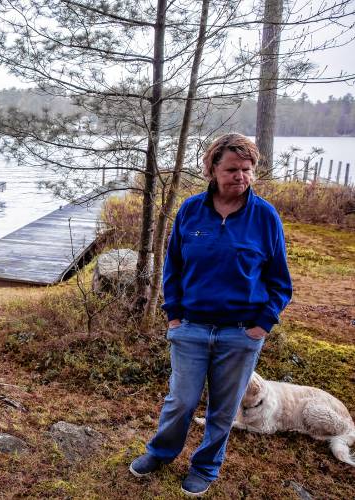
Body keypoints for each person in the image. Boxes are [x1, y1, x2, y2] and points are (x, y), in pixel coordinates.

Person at [129, 133, 293, 496]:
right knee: (182, 400)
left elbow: (280, 281)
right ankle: (160, 453)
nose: (240, 177)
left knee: (223, 409)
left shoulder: (265, 217)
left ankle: (205, 467)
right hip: (191, 328)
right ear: (212, 169)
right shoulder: (190, 210)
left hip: (240, 333)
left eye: (247, 170)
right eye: (232, 169)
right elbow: (172, 266)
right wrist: (173, 316)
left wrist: (261, 325)